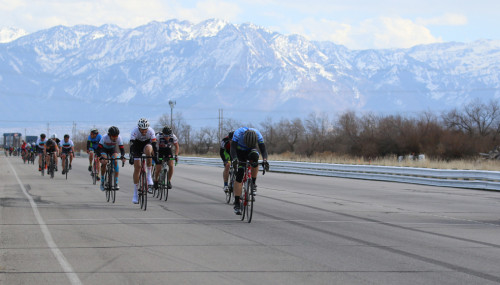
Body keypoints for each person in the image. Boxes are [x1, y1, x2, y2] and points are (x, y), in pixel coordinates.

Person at [230, 127, 269, 215]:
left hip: (251, 150)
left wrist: (265, 160)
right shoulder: (238, 133)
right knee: (239, 174)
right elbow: (232, 148)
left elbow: (263, 149)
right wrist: (235, 159)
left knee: (255, 159)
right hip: (239, 151)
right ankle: (237, 203)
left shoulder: (258, 134)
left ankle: (253, 183)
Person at [129, 118, 157, 204]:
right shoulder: (134, 132)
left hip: (146, 145)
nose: (144, 131)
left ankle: (149, 176)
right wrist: (131, 156)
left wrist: (155, 155)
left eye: (145, 129)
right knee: (137, 168)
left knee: (149, 150)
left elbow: (154, 145)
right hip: (136, 147)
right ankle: (135, 193)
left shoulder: (151, 131)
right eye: (142, 129)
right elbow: (131, 146)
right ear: (139, 128)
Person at [96, 126, 126, 191]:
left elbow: (122, 149)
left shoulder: (119, 138)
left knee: (115, 161)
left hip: (112, 149)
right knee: (105, 162)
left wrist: (122, 156)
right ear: (109, 135)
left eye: (116, 136)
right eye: (114, 136)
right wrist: (100, 157)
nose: (115, 138)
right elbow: (98, 149)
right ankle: (102, 181)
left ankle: (116, 183)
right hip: (104, 149)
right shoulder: (104, 137)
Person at [153, 126, 179, 190]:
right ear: (163, 134)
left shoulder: (173, 136)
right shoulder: (158, 136)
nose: (167, 137)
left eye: (168, 135)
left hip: (168, 150)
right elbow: (154, 147)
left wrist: (176, 155)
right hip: (159, 150)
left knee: (171, 165)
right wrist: (155, 156)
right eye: (165, 135)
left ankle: (168, 181)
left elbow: (177, 147)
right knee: (158, 168)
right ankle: (156, 181)